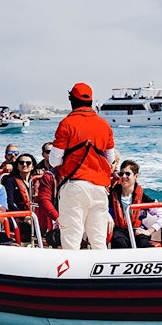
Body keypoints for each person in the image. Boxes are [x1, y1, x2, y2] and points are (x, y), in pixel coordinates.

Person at [49, 82, 116, 250]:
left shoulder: (67, 123)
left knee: (72, 239)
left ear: (72, 100)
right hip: (100, 188)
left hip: (75, 187)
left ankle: (70, 274)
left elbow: (54, 161)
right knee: (99, 241)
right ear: (91, 101)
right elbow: (111, 159)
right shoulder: (104, 125)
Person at [109, 160, 162, 249]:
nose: (124, 177)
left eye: (127, 174)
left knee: (144, 244)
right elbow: (100, 209)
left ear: (136, 176)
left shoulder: (143, 198)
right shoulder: (112, 195)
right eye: (121, 174)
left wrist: (149, 231)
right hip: (119, 230)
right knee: (119, 242)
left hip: (137, 229)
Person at [3, 152, 37, 241]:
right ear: (17, 166)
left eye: (28, 163)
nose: (24, 165)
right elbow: (9, 202)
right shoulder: (10, 181)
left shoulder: (35, 182)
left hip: (34, 215)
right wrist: (24, 217)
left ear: (32, 166)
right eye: (21, 163)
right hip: (18, 216)